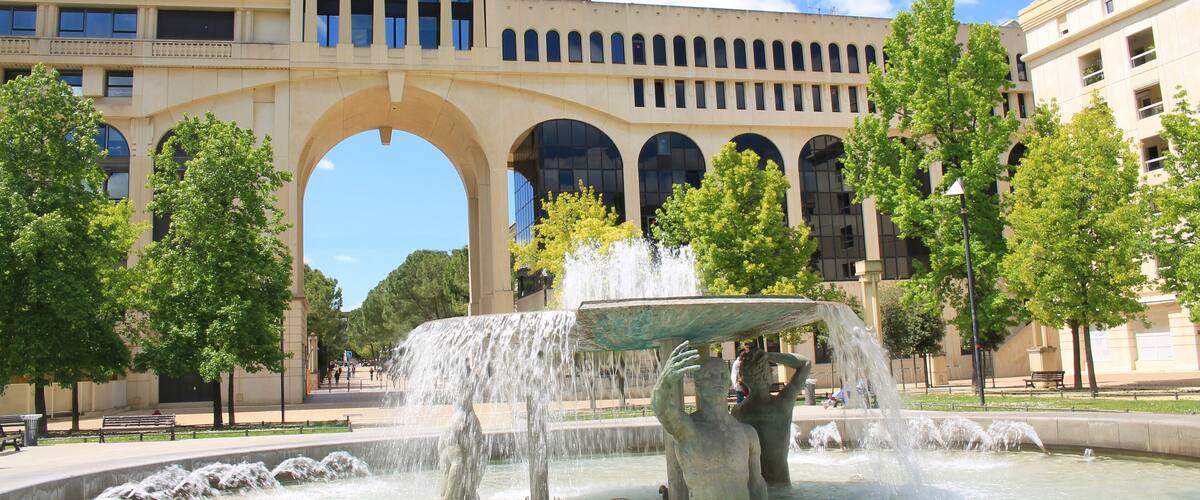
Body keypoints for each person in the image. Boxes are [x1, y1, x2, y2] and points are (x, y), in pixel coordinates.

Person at [652, 341, 768, 500]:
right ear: (697, 386)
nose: (717, 381)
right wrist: (664, 382)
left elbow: (757, 485)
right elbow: (661, 408)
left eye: (722, 376)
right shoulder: (687, 429)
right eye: (710, 376)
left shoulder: (747, 433)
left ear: (729, 383)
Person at [732, 348, 812, 484]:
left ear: (743, 378)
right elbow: (805, 363)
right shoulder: (783, 404)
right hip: (780, 481)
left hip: (752, 486)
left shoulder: (737, 412)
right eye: (770, 370)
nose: (772, 372)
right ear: (768, 375)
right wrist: (770, 355)